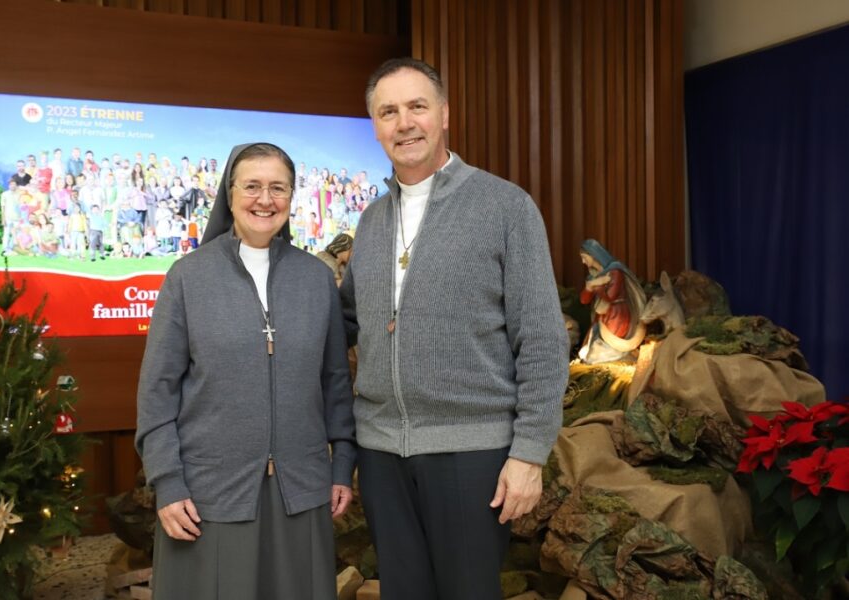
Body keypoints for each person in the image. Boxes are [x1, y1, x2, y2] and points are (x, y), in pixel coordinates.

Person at [340, 58, 569, 600]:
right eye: (388, 111)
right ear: (375, 125)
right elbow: (347, 322)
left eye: (417, 106)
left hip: (472, 453)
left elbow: (540, 336)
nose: (404, 123)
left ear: (443, 113)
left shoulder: (505, 206)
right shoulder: (372, 220)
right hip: (381, 455)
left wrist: (530, 452)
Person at [135, 142, 355, 599]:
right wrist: (168, 482)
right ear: (229, 194)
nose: (265, 199)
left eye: (278, 188)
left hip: (301, 488)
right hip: (209, 494)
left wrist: (343, 465)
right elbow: (157, 390)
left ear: (292, 198)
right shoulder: (187, 277)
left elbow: (334, 380)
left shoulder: (315, 280)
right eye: (252, 186)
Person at [577, 238, 647, 363]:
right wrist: (590, 286)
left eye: (584, 257)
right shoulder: (594, 276)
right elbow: (584, 300)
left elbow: (611, 296)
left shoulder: (615, 272)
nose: (583, 261)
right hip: (601, 316)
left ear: (593, 255)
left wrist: (595, 286)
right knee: (586, 351)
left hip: (617, 315)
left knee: (603, 352)